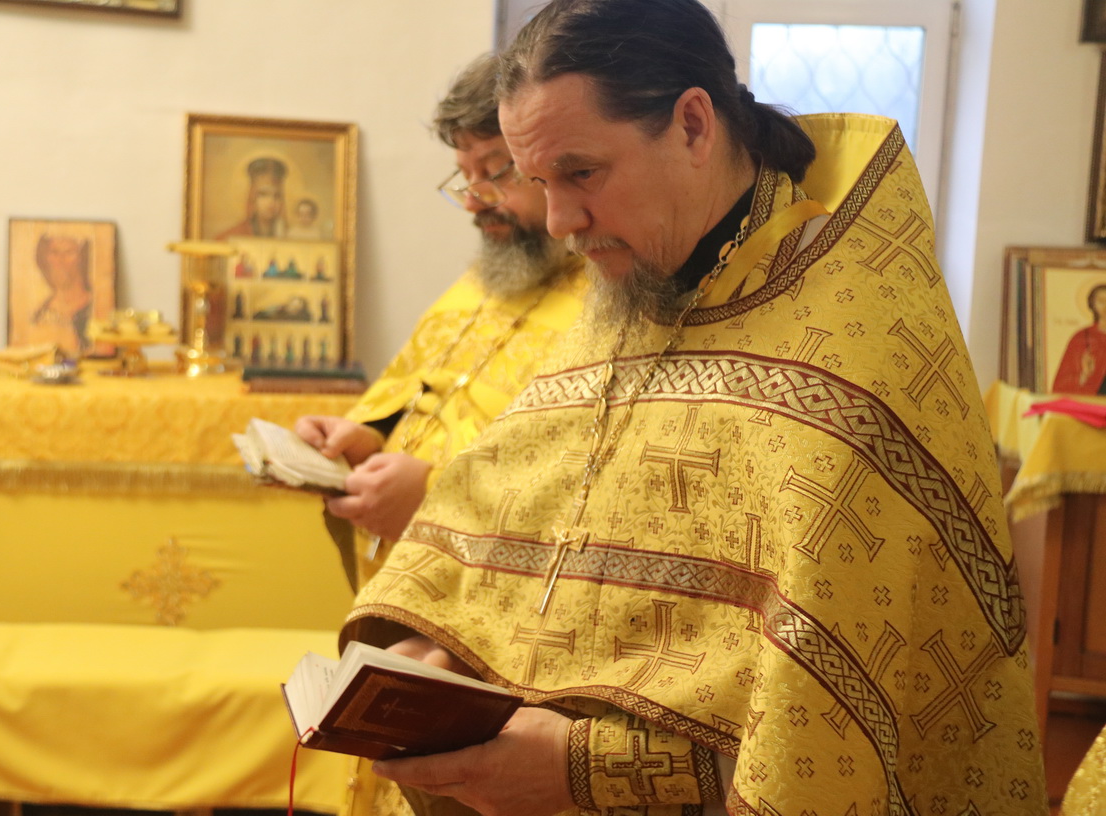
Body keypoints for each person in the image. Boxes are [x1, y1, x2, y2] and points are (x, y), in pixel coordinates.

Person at [340, 2, 1048, 815]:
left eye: (581, 173)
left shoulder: (850, 354)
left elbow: (845, 736)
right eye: (538, 183)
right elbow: (518, 517)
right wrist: (439, 646)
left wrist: (586, 768)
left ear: (691, 124)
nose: (561, 223)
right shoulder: (633, 293)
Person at [294, 53, 587, 816]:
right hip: (411, 602)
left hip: (500, 630)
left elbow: (579, 475)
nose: (474, 200)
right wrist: (360, 438)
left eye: (494, 172)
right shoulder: (485, 276)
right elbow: (412, 392)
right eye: (464, 176)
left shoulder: (611, 296)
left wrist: (434, 497)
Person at [26, 233, 94, 357]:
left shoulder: (94, 308)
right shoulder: (42, 312)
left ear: (81, 258)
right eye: (54, 252)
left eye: (69, 252)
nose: (60, 260)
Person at [1050, 283, 1106, 394]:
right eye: (1101, 301)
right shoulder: (1081, 338)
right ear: (1092, 305)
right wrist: (1084, 374)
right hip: (1089, 400)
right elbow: (1060, 386)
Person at [215, 157, 288, 239]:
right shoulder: (232, 236)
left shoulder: (288, 235)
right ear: (252, 197)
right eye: (263, 194)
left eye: (277, 196)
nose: (271, 201)